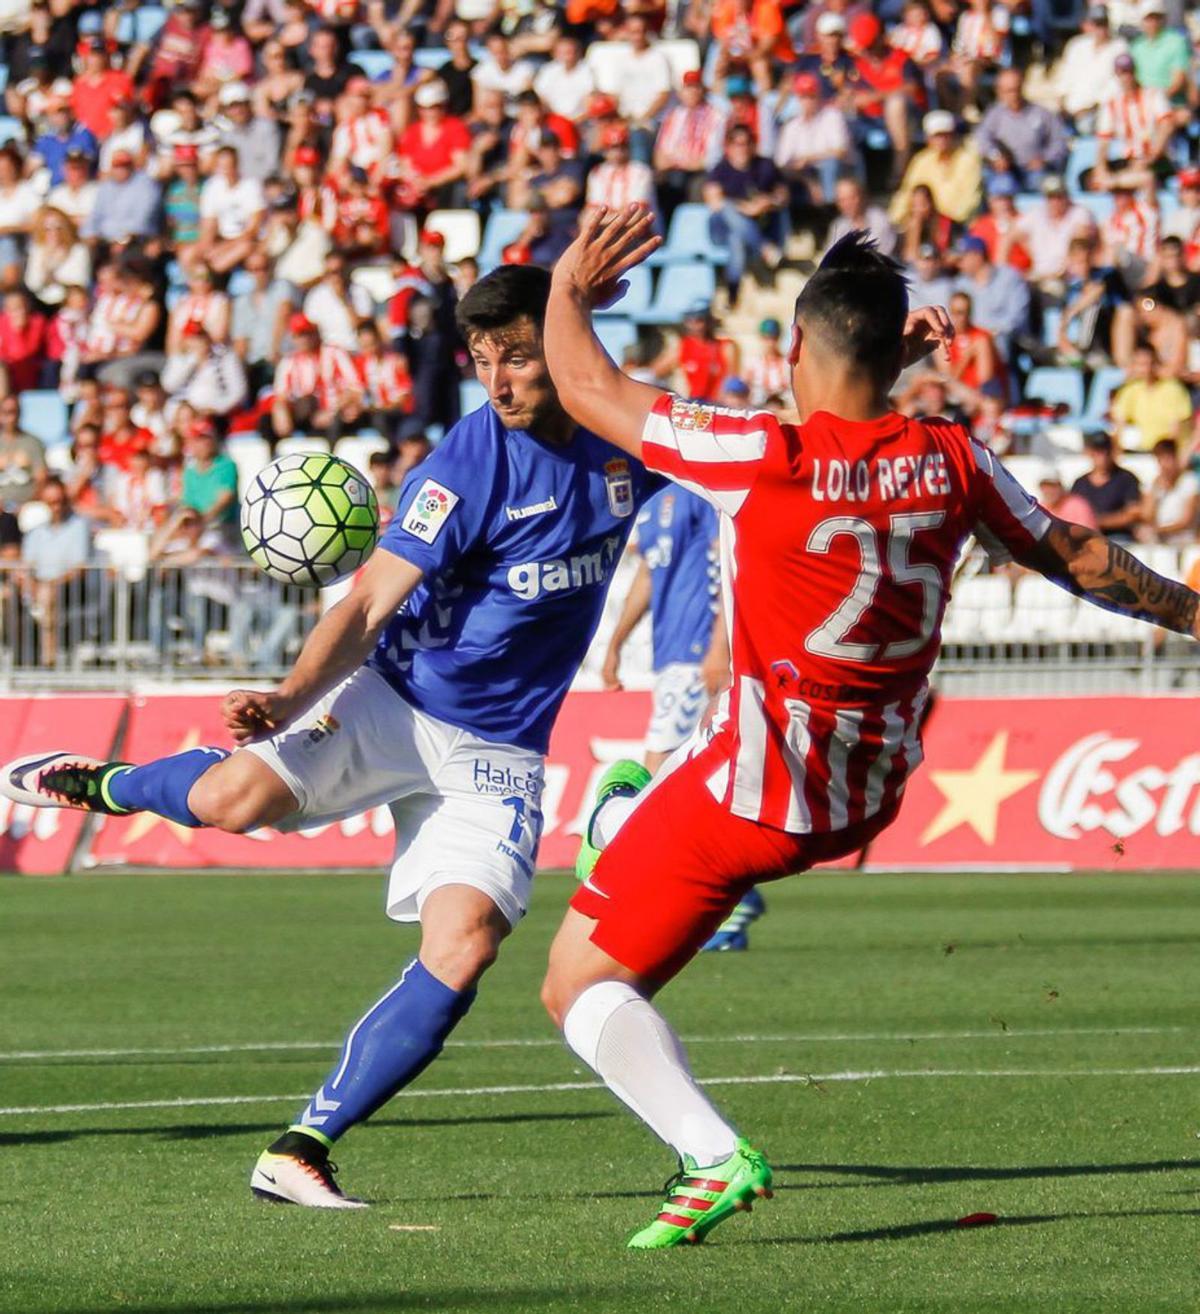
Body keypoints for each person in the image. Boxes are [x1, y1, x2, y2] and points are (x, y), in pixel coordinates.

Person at [537, 206, 1200, 1250]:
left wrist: (568, 288)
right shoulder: (952, 459)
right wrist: (1194, 613)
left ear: (798, 347)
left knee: (575, 983)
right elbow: (1079, 555)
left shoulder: (758, 453)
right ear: (898, 356)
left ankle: (714, 1155)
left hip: (753, 800)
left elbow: (585, 387)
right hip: (867, 794)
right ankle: (628, 819)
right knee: (637, 845)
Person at [2, 265, 660, 1210]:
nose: (498, 381)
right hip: (394, 700)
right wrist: (291, 693)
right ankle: (98, 785)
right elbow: (367, 603)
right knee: (233, 800)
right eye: (481, 362)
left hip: (499, 753)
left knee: (465, 946)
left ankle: (301, 1147)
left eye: (516, 356)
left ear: (564, 342)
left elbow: (770, 450)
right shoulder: (465, 466)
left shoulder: (629, 434)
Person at [703, 123, 788, 303]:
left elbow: (783, 196)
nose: (743, 148)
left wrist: (768, 202)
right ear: (728, 146)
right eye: (737, 143)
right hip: (721, 230)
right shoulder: (720, 169)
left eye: (747, 142)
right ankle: (765, 248)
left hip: (753, 227)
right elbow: (714, 202)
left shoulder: (765, 165)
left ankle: (733, 291)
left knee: (737, 238)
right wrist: (747, 208)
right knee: (727, 208)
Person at [1111, 343, 1193, 451]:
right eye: (1141, 365)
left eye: (1150, 364)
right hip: (1143, 451)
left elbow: (1176, 430)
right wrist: (1116, 450)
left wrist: (1167, 454)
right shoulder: (1130, 390)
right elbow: (1119, 424)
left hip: (1170, 452)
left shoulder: (1173, 389)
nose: (1146, 369)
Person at [1069, 430, 1144, 540]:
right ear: (1090, 452)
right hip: (1086, 538)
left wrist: (1099, 521)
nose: (1103, 456)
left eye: (1106, 451)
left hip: (1118, 537)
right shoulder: (1080, 483)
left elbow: (1133, 513)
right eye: (1098, 451)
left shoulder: (1127, 479)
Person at [1140, 437, 1199, 545]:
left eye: (1168, 459)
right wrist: (1156, 489)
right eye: (1160, 459)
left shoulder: (1190, 481)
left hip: (1185, 541)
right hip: (1160, 542)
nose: (1164, 465)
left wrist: (1158, 530)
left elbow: (1186, 520)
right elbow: (1146, 516)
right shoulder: (1153, 484)